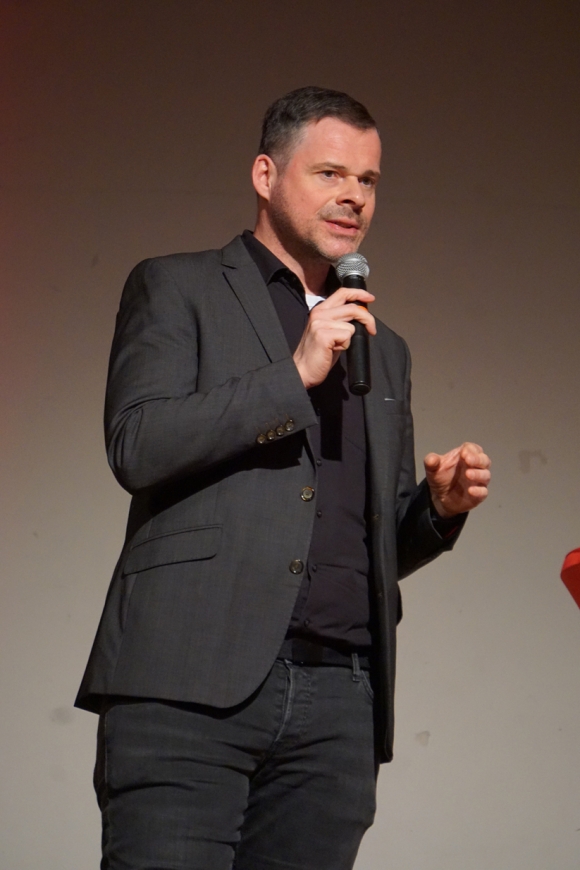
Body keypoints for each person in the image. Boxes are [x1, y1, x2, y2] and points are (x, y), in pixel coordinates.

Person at [76, 86, 491, 870]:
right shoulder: (179, 287)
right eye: (330, 173)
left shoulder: (383, 346)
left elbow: (355, 543)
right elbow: (137, 444)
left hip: (337, 704)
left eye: (368, 180)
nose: (353, 196)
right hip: (188, 686)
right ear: (265, 175)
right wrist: (292, 374)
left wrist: (434, 512)